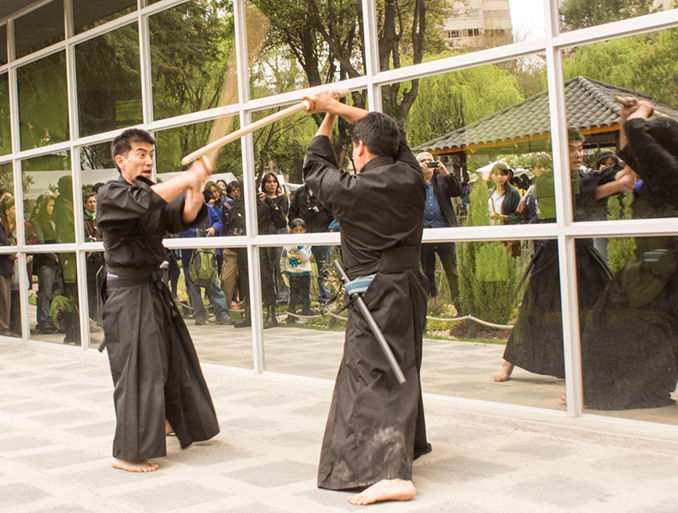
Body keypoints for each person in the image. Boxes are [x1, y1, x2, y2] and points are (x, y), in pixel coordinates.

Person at [304, 90, 429, 506]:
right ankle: (403, 446)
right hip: (409, 286)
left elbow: (315, 165)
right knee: (401, 367)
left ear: (358, 148)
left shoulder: (351, 190)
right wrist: (337, 108)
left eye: (355, 144)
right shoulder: (412, 175)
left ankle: (392, 473)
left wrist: (325, 116)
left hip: (377, 292)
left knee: (373, 374)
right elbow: (389, 131)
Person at [97, 128, 219, 473]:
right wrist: (186, 177)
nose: (148, 160)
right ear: (121, 160)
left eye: (151, 154)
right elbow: (145, 204)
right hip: (127, 293)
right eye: (140, 154)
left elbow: (178, 217)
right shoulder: (111, 194)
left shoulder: (151, 190)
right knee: (140, 368)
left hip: (152, 288)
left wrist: (194, 186)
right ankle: (127, 452)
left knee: (171, 358)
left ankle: (167, 420)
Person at [493, 131, 635, 383]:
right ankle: (508, 362)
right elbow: (613, 183)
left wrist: (629, 125)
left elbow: (624, 175)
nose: (578, 154)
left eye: (581, 148)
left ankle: (595, 364)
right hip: (552, 253)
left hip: (582, 251)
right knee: (533, 309)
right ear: (554, 153)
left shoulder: (584, 177)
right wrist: (620, 181)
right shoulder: (549, 181)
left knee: (603, 305)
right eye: (571, 149)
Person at [581, 98, 678, 410]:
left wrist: (641, 114)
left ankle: (613, 387)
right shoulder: (658, 179)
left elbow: (638, 136)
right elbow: (631, 149)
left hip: (663, 269)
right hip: (657, 269)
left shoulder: (671, 173)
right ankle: (617, 387)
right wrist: (626, 116)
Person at [235, 172, 288, 329]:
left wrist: (271, 203)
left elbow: (281, 222)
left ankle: (271, 316)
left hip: (262, 249)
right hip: (243, 250)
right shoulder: (237, 206)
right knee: (245, 283)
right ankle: (249, 315)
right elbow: (230, 224)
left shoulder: (264, 206)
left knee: (266, 281)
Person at [415, 151, 462, 307]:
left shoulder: (442, 179)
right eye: (423, 161)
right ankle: (433, 303)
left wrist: (446, 173)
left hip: (443, 229)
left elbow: (458, 192)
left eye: (430, 160)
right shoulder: (414, 181)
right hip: (424, 231)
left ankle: (458, 303)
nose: (428, 163)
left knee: (452, 269)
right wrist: (416, 171)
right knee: (428, 271)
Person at [177, 197, 232, 326]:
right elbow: (180, 230)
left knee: (214, 283)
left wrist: (213, 229)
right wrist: (198, 233)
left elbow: (218, 222)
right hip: (190, 255)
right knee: (193, 285)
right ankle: (199, 315)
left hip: (209, 253)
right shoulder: (182, 210)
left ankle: (222, 314)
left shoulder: (208, 207)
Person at [288, 184, 334, 303]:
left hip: (322, 234)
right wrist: (296, 229)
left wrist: (328, 227)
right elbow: (292, 212)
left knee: (324, 267)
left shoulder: (325, 191)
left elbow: (333, 211)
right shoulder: (300, 192)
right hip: (302, 236)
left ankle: (325, 297)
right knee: (299, 267)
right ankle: (300, 298)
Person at [282, 218, 312, 324]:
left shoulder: (307, 243)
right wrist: (283, 271)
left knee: (305, 295)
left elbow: (305, 257)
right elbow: (283, 257)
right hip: (292, 272)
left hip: (304, 272)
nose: (298, 232)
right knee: (293, 296)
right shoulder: (287, 243)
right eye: (296, 230)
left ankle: (304, 316)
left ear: (304, 230)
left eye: (301, 230)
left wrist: (300, 246)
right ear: (291, 230)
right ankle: (291, 316)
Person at [83, 193, 105, 325]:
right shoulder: (82, 219)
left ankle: (101, 317)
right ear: (85, 204)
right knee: (91, 291)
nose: (93, 204)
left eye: (94, 202)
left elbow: (105, 237)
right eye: (90, 202)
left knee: (101, 290)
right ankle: (91, 317)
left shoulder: (100, 218)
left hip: (101, 260)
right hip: (89, 262)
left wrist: (99, 241)